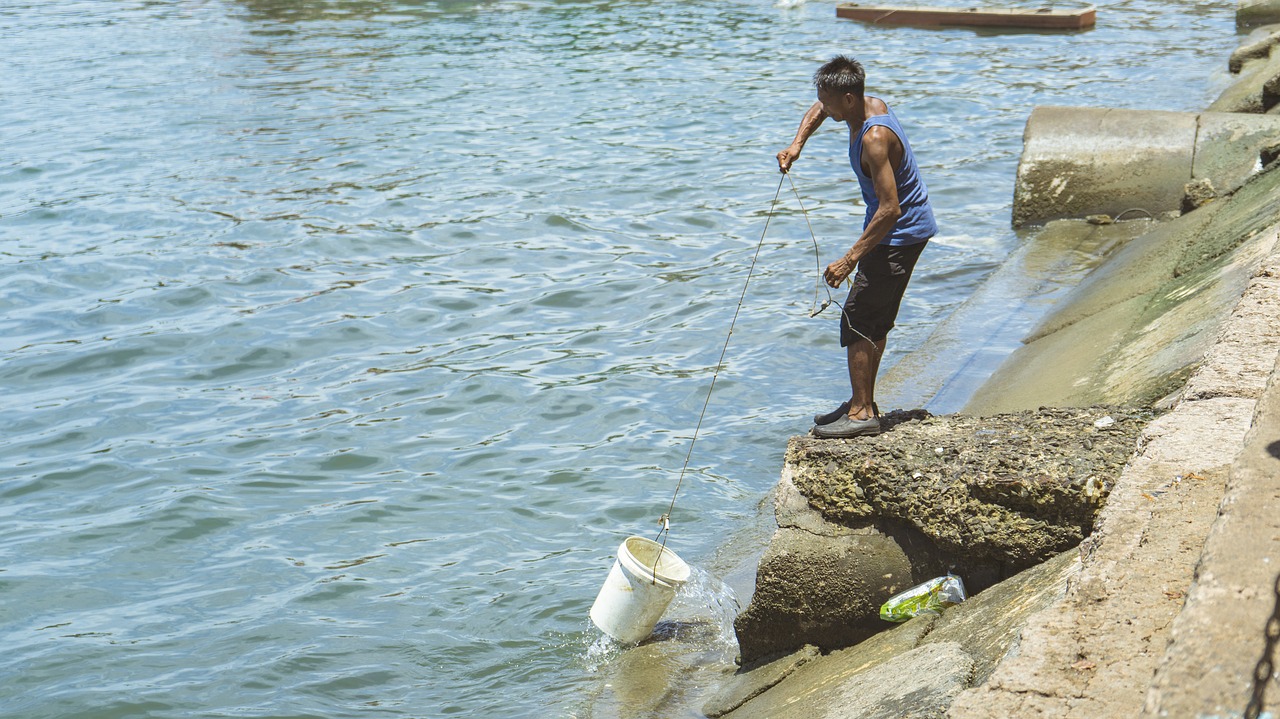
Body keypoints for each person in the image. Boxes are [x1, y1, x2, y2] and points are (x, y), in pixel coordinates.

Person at [777, 55, 936, 439]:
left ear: (848, 99)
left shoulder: (874, 138)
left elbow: (890, 209)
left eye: (828, 99)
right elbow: (818, 109)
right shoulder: (864, 104)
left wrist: (849, 259)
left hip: (899, 233)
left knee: (859, 317)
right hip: (893, 229)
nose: (821, 106)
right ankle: (859, 401)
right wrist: (797, 145)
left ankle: (863, 414)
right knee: (873, 316)